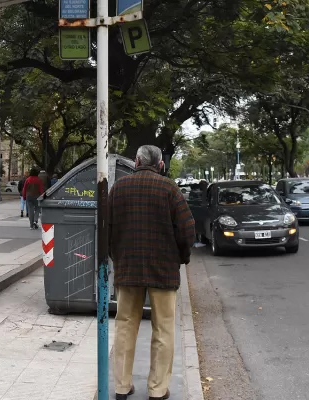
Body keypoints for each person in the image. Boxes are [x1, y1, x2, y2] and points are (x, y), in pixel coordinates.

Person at [108, 145, 195, 400]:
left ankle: (122, 387)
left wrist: (116, 257)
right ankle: (157, 390)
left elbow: (107, 227)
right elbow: (187, 230)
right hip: (163, 270)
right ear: (160, 165)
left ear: (136, 162)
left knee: (125, 325)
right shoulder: (169, 189)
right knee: (164, 329)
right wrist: (182, 257)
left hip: (128, 268)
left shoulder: (119, 188)